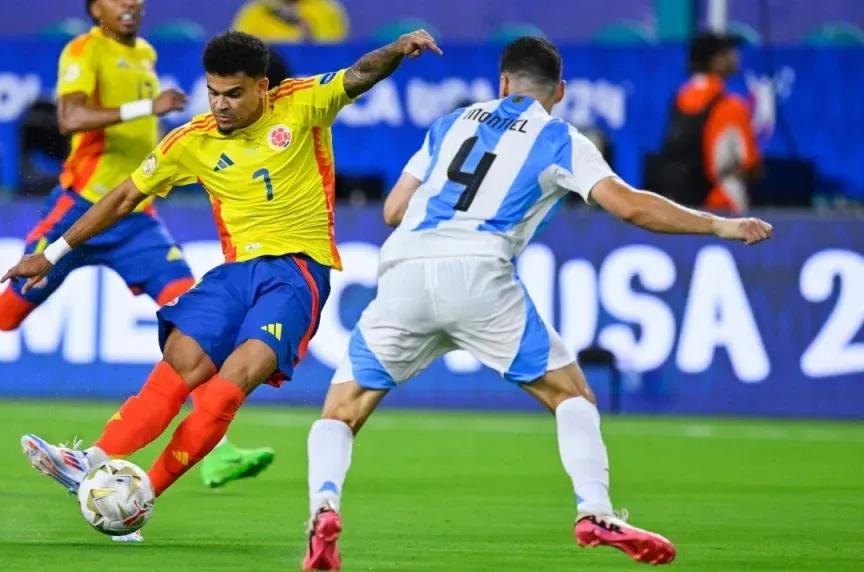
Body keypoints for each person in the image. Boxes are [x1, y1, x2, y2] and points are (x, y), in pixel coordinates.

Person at [301, 36, 773, 570]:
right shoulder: (559, 138)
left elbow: (392, 210)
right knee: (572, 396)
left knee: (341, 410)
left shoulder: (451, 123)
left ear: (502, 83)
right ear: (562, 92)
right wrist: (720, 225)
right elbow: (631, 208)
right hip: (479, 271)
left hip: (405, 269)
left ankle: (323, 506)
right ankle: (594, 509)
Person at [3, 28, 440, 533]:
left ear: (262, 86)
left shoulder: (302, 104)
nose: (221, 104)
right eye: (213, 91)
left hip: (296, 273)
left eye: (233, 93)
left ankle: (142, 492)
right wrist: (52, 253)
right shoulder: (192, 140)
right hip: (234, 274)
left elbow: (360, 75)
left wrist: (394, 50)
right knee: (181, 362)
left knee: (230, 384)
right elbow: (124, 196)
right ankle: (93, 459)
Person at [0, 0, 275, 525]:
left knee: (200, 325)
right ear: (95, 8)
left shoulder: (147, 53)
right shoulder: (83, 51)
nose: (128, 3)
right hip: (82, 206)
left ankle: (213, 449)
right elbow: (69, 117)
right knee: (4, 314)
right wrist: (144, 110)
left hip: (135, 218)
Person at [656, 31, 762, 213]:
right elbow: (750, 164)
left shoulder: (680, 98)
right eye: (729, 52)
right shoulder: (731, 106)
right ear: (715, 61)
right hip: (721, 207)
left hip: (681, 207)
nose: (736, 56)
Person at [233, 0, 348, 44]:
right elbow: (239, 47)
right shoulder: (255, 11)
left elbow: (334, 51)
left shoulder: (327, 10)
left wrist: (309, 37)